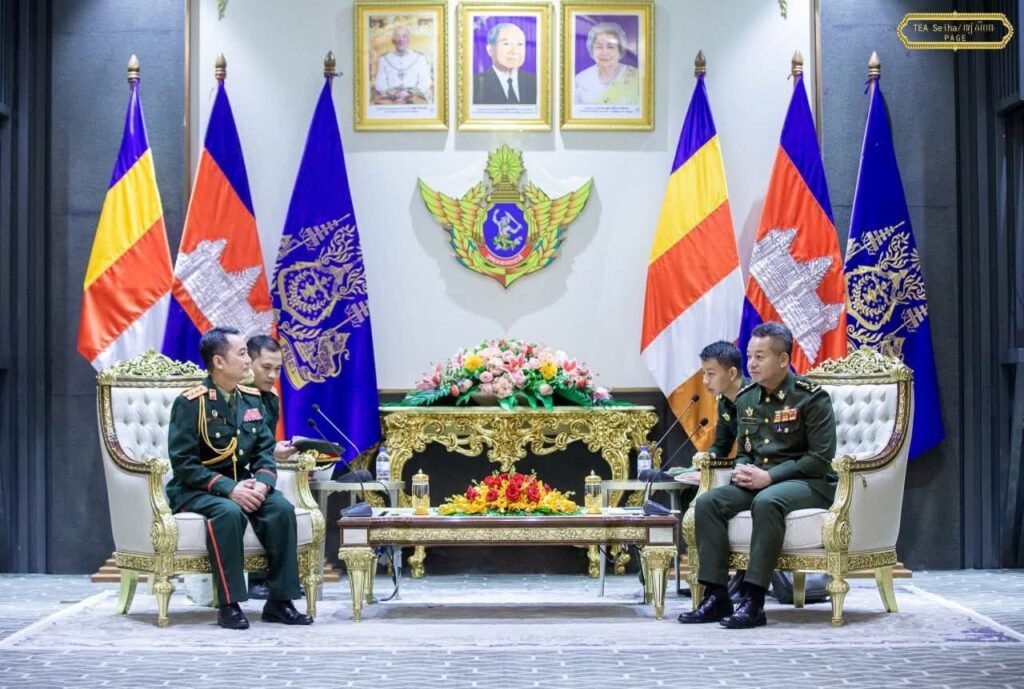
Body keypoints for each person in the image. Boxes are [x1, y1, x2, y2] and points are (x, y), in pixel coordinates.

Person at [679, 322, 837, 628]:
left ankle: (753, 600)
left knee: (767, 501)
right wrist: (743, 469)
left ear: (783, 359)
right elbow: (746, 450)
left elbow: (819, 459)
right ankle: (716, 595)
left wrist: (769, 477)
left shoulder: (811, 397)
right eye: (750, 356)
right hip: (761, 481)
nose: (751, 363)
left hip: (809, 483)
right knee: (709, 503)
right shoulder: (747, 398)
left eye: (760, 357)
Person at [167, 326, 313, 629]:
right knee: (228, 512)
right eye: (242, 353)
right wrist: (230, 489)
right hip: (198, 488)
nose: (248, 361)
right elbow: (183, 463)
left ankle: (280, 601)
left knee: (281, 509)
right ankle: (229, 605)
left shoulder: (251, 399)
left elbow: (263, 452)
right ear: (219, 362)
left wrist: (262, 484)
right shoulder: (192, 403)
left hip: (245, 483)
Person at [244, 334, 297, 600]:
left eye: (277, 369)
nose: (273, 375)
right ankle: (254, 579)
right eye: (266, 367)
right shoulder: (232, 394)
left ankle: (281, 589)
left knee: (282, 508)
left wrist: (276, 450)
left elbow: (262, 442)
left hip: (259, 472)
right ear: (248, 362)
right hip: (231, 473)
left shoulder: (270, 398)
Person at [573, 21, 639, 105]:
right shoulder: (580, 80)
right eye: (599, 47)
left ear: (620, 50)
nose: (604, 52)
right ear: (592, 50)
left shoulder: (637, 77)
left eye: (610, 47)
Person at [472, 22, 537, 105]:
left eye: (520, 44)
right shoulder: (476, 85)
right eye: (506, 44)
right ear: (490, 49)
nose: (514, 51)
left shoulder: (535, 82)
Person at [372, 25, 433, 104]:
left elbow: (425, 82)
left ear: (409, 40)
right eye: (397, 36)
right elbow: (379, 83)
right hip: (390, 99)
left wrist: (409, 93)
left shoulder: (420, 58)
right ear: (392, 40)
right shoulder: (383, 59)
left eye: (404, 36)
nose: (401, 40)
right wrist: (394, 93)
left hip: (414, 98)